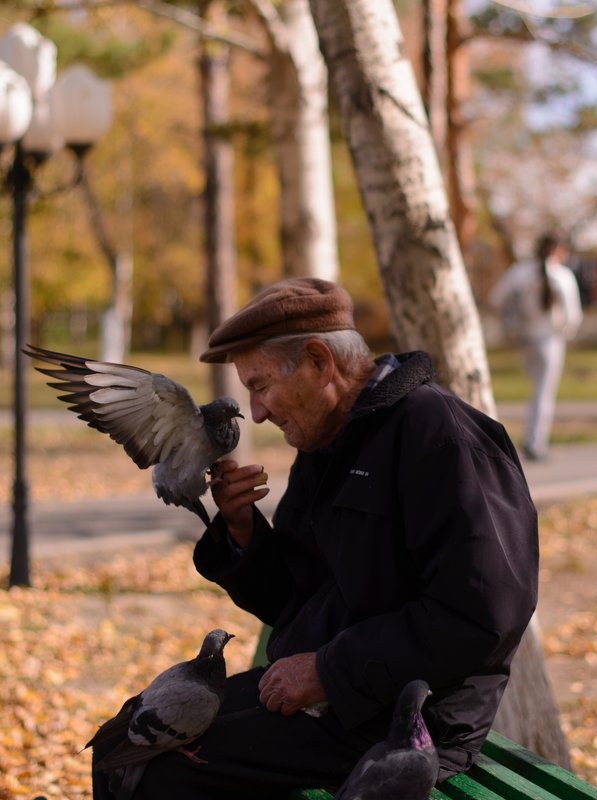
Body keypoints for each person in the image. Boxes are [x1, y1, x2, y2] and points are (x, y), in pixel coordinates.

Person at [91, 277, 538, 799]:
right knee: (117, 742)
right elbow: (296, 596)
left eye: (259, 386)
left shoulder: (440, 435)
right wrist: (242, 530)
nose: (255, 412)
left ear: (320, 362)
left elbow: (484, 613)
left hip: (403, 721)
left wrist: (329, 669)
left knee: (160, 773)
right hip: (324, 696)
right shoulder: (329, 440)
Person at [488, 234, 583, 462]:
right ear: (558, 250)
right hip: (549, 341)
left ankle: (528, 440)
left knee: (535, 391)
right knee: (543, 394)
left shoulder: (520, 272)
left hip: (525, 340)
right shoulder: (562, 275)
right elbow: (573, 315)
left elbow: (496, 299)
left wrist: (511, 324)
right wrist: (566, 332)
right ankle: (535, 443)